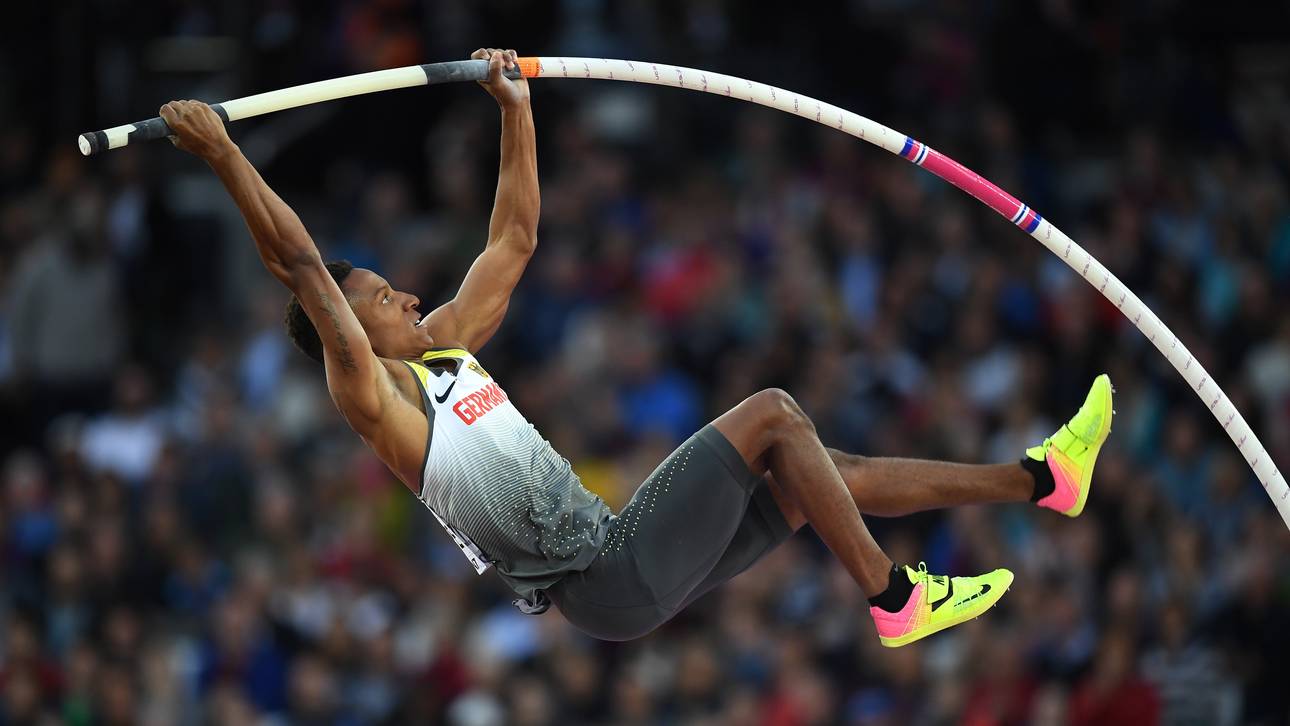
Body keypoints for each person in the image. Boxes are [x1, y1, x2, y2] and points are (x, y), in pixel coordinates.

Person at [158, 48, 1114, 647]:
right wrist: (226, 154)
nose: (405, 293)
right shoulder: (374, 398)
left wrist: (515, 110)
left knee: (814, 469)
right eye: (379, 297)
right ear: (348, 330)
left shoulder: (442, 348)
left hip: (620, 565)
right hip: (603, 575)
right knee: (774, 413)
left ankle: (1040, 481)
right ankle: (895, 597)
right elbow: (301, 266)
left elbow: (514, 240)